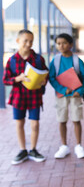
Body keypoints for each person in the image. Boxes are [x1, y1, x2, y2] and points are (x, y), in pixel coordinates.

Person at [3, 29, 48, 164]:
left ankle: (33, 149)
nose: (28, 44)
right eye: (25, 41)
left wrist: (43, 81)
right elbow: (5, 80)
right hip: (18, 97)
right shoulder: (11, 60)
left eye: (31, 41)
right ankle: (23, 150)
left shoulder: (39, 59)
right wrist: (18, 78)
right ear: (18, 41)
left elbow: (46, 74)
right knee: (20, 124)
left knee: (34, 124)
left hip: (34, 96)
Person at [49, 33, 84, 159]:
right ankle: (64, 146)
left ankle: (78, 145)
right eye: (58, 43)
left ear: (71, 45)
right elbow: (51, 78)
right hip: (61, 96)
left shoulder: (77, 60)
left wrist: (81, 90)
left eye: (64, 43)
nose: (61, 46)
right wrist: (62, 89)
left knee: (76, 119)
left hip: (75, 96)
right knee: (61, 120)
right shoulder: (55, 61)